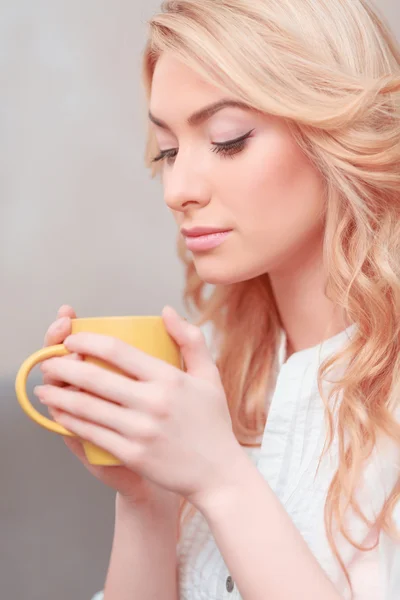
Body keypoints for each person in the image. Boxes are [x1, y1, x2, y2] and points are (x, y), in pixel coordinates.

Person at [34, 0, 400, 598]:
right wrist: (145, 497)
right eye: (168, 151)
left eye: (228, 140)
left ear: (336, 130)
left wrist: (221, 481)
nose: (178, 190)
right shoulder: (215, 370)